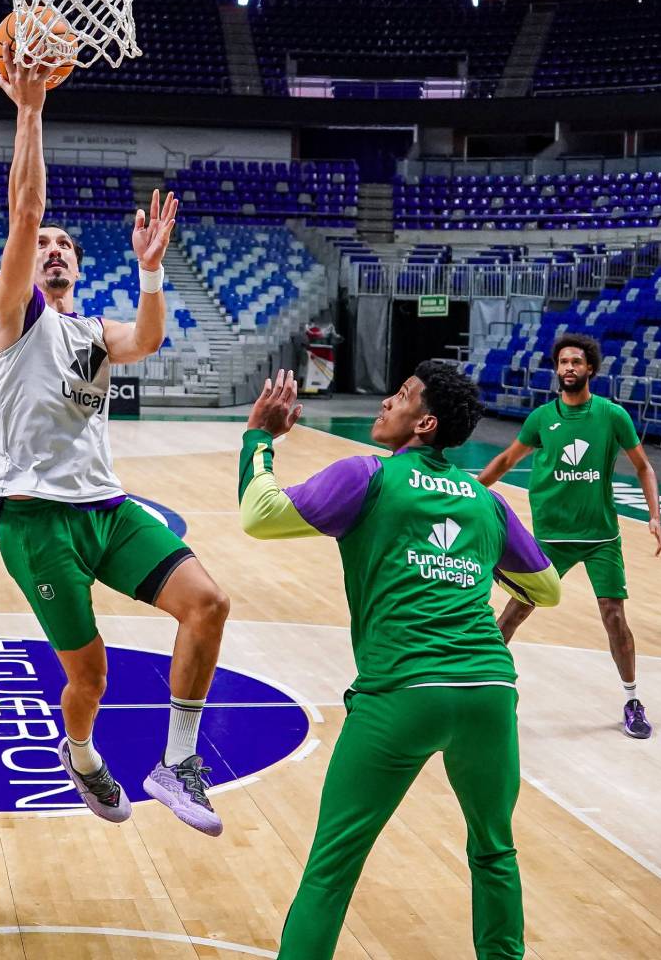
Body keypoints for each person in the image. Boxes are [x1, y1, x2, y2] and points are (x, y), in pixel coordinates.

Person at [0, 57, 233, 835]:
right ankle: (82, 753)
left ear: (80, 268)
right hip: (35, 519)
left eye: (65, 247)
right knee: (86, 674)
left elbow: (148, 337)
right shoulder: (15, 318)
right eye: (45, 246)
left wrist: (150, 272)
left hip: (107, 506)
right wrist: (29, 111)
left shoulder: (96, 333)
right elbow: (25, 216)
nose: (53, 250)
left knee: (209, 603)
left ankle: (177, 763)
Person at [238, 365, 561, 960]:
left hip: (401, 692)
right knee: (494, 851)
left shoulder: (369, 476)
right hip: (489, 690)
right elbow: (546, 588)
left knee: (333, 867)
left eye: (404, 396)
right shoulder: (488, 503)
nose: (386, 400)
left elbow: (259, 514)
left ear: (425, 423)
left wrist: (260, 438)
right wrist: (486, 609)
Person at [474, 333, 661, 739]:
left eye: (576, 362)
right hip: (550, 537)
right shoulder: (542, 418)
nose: (569, 369)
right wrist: (472, 493)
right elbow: (508, 459)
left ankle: (632, 700)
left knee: (615, 618)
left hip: (600, 537)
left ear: (590, 369)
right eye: (563, 363)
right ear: (556, 369)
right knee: (515, 611)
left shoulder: (612, 415)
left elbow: (644, 467)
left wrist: (654, 515)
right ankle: (478, 686)